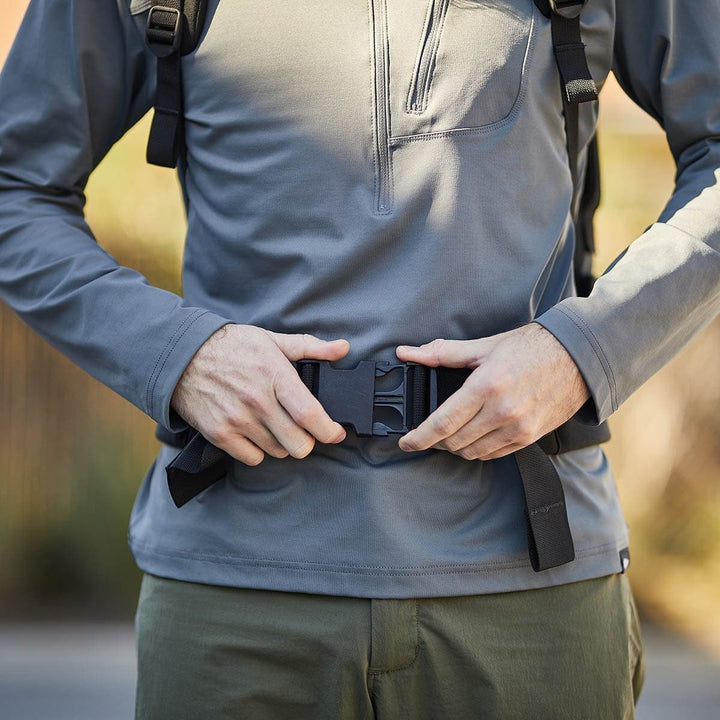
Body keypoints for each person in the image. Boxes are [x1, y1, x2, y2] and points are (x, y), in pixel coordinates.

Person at [0, 0, 718, 717]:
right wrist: (181, 357)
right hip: (240, 603)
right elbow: (15, 190)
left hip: (531, 594)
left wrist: (581, 351)